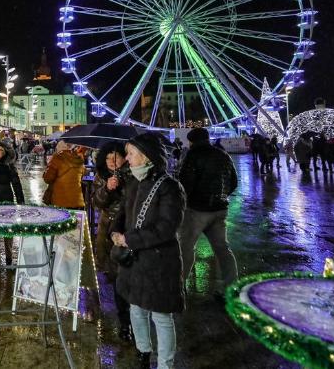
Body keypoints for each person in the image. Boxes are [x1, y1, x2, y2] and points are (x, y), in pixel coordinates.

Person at [111, 133, 186, 369]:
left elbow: (166, 228)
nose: (127, 159)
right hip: (135, 261)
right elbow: (122, 213)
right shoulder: (134, 182)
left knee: (161, 317)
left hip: (158, 261)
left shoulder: (170, 188)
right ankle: (143, 351)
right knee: (136, 309)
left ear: (145, 157)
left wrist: (129, 239)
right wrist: (114, 232)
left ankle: (165, 364)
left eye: (131, 154)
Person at [177, 128, 238, 302]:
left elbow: (184, 184)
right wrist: (222, 196)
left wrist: (183, 203)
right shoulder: (223, 155)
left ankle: (179, 286)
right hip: (220, 209)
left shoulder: (192, 156)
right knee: (223, 249)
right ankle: (230, 287)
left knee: (186, 248)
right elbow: (234, 182)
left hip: (196, 210)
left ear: (191, 141)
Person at [92, 141, 132, 341]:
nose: (111, 161)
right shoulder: (101, 175)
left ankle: (131, 319)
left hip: (128, 230)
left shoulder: (134, 174)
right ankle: (125, 322)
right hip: (107, 230)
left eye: (115, 157)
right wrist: (107, 188)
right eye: (107, 157)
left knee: (127, 276)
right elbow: (96, 202)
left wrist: (122, 185)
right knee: (116, 277)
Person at [43, 141, 86, 210]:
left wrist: (48, 168)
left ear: (59, 148)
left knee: (62, 219)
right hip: (76, 199)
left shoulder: (57, 158)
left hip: (59, 200)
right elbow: (83, 174)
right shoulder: (78, 158)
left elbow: (47, 179)